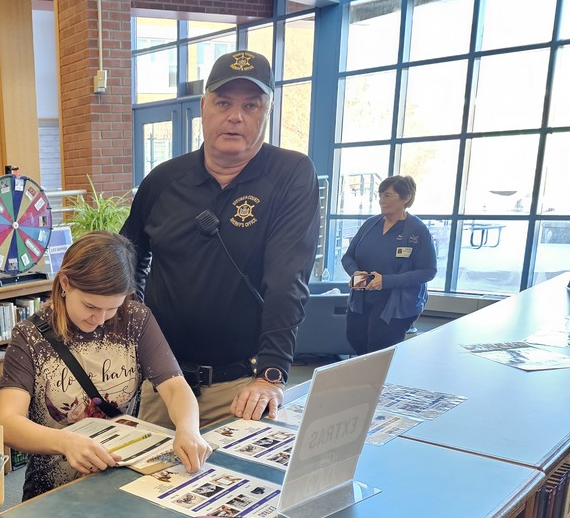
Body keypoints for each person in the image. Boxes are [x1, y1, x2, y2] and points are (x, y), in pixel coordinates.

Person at [122, 50, 320, 425]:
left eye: (251, 104)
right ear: (203, 107)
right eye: (223, 102)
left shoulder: (291, 175)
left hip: (243, 387)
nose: (235, 116)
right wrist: (136, 338)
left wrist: (272, 373)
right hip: (162, 381)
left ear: (268, 111)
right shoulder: (163, 180)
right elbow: (128, 260)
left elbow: (287, 280)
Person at [0, 231, 211, 501]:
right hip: (53, 493)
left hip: (120, 480)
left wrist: (189, 429)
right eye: (90, 306)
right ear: (65, 283)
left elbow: (175, 387)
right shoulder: (30, 336)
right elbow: (7, 423)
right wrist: (66, 442)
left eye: (112, 308)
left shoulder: (135, 318)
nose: (100, 319)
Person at [342, 175, 437, 354]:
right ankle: (367, 379)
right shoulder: (371, 224)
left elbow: (428, 271)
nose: (381, 201)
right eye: (380, 195)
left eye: (388, 196)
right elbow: (348, 257)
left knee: (379, 345)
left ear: (406, 198)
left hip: (397, 302)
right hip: (363, 296)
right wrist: (356, 274)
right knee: (355, 338)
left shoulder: (417, 230)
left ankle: (377, 380)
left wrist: (385, 281)